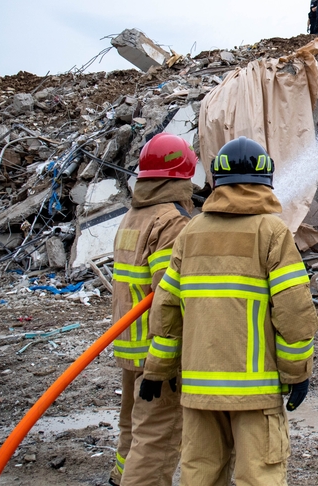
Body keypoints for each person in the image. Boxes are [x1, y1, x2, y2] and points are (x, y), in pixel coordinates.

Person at [142, 137, 318, 486]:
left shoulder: (191, 232)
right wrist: (297, 374)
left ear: (216, 181)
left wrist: (156, 369)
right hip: (255, 392)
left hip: (198, 391)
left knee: (200, 475)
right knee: (259, 477)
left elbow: (166, 310)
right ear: (266, 179)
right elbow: (294, 313)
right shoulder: (272, 231)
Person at [108, 133, 197, 486]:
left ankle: (120, 477)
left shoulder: (134, 216)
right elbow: (171, 292)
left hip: (131, 343)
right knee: (158, 436)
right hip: (158, 347)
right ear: (182, 174)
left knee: (133, 425)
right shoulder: (171, 221)